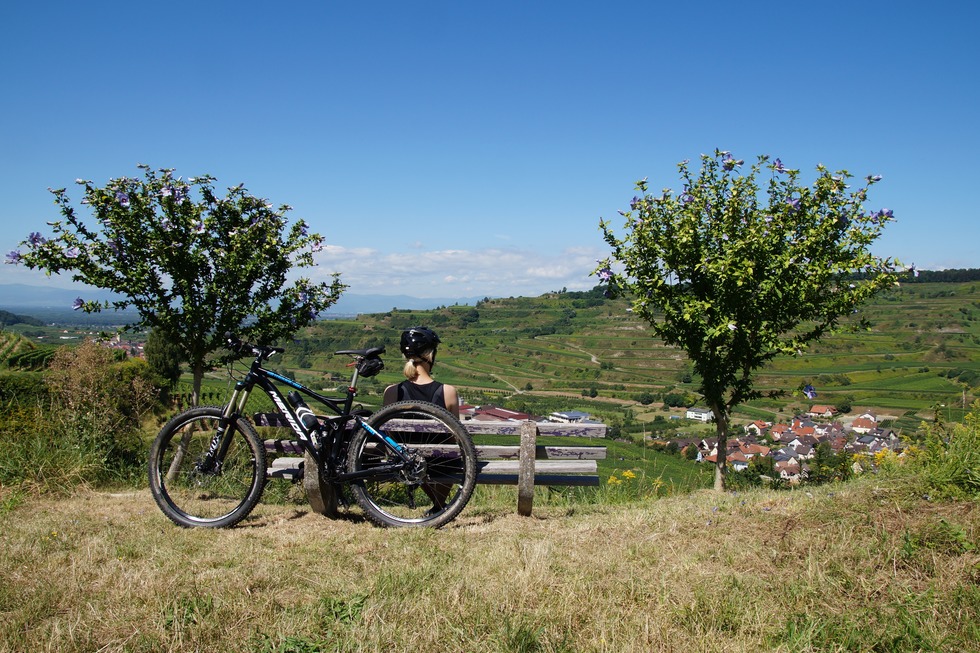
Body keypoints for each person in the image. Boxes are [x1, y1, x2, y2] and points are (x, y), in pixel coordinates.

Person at [383, 326, 459, 417]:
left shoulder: (392, 391)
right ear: (430, 355)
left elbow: (385, 428)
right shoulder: (448, 392)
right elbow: (457, 429)